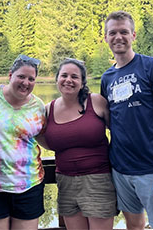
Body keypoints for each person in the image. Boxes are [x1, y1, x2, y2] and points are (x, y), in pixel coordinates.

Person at [100, 11, 153, 230]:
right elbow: (111, 121)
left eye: (124, 32)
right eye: (113, 32)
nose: (118, 37)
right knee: (133, 226)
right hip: (121, 169)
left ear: (133, 35)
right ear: (105, 38)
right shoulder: (107, 78)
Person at [41, 58, 118, 230]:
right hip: (65, 181)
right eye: (64, 75)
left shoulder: (96, 102)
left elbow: (119, 133)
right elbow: (42, 139)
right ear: (57, 79)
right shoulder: (48, 109)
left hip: (98, 179)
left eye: (74, 77)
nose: (68, 80)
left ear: (82, 82)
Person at [0, 54, 46, 230]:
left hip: (29, 184)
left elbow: (46, 137)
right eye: (21, 76)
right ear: (10, 75)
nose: (25, 82)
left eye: (31, 79)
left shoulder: (39, 106)